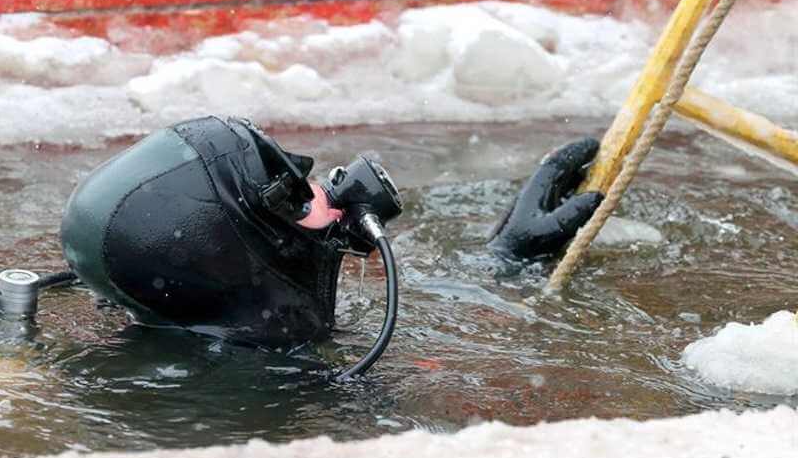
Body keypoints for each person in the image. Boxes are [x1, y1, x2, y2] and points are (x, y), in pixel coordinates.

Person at [59, 116, 603, 378]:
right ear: (244, 252)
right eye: (286, 189)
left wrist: (506, 256)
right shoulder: (324, 397)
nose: (314, 179)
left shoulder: (226, 343)